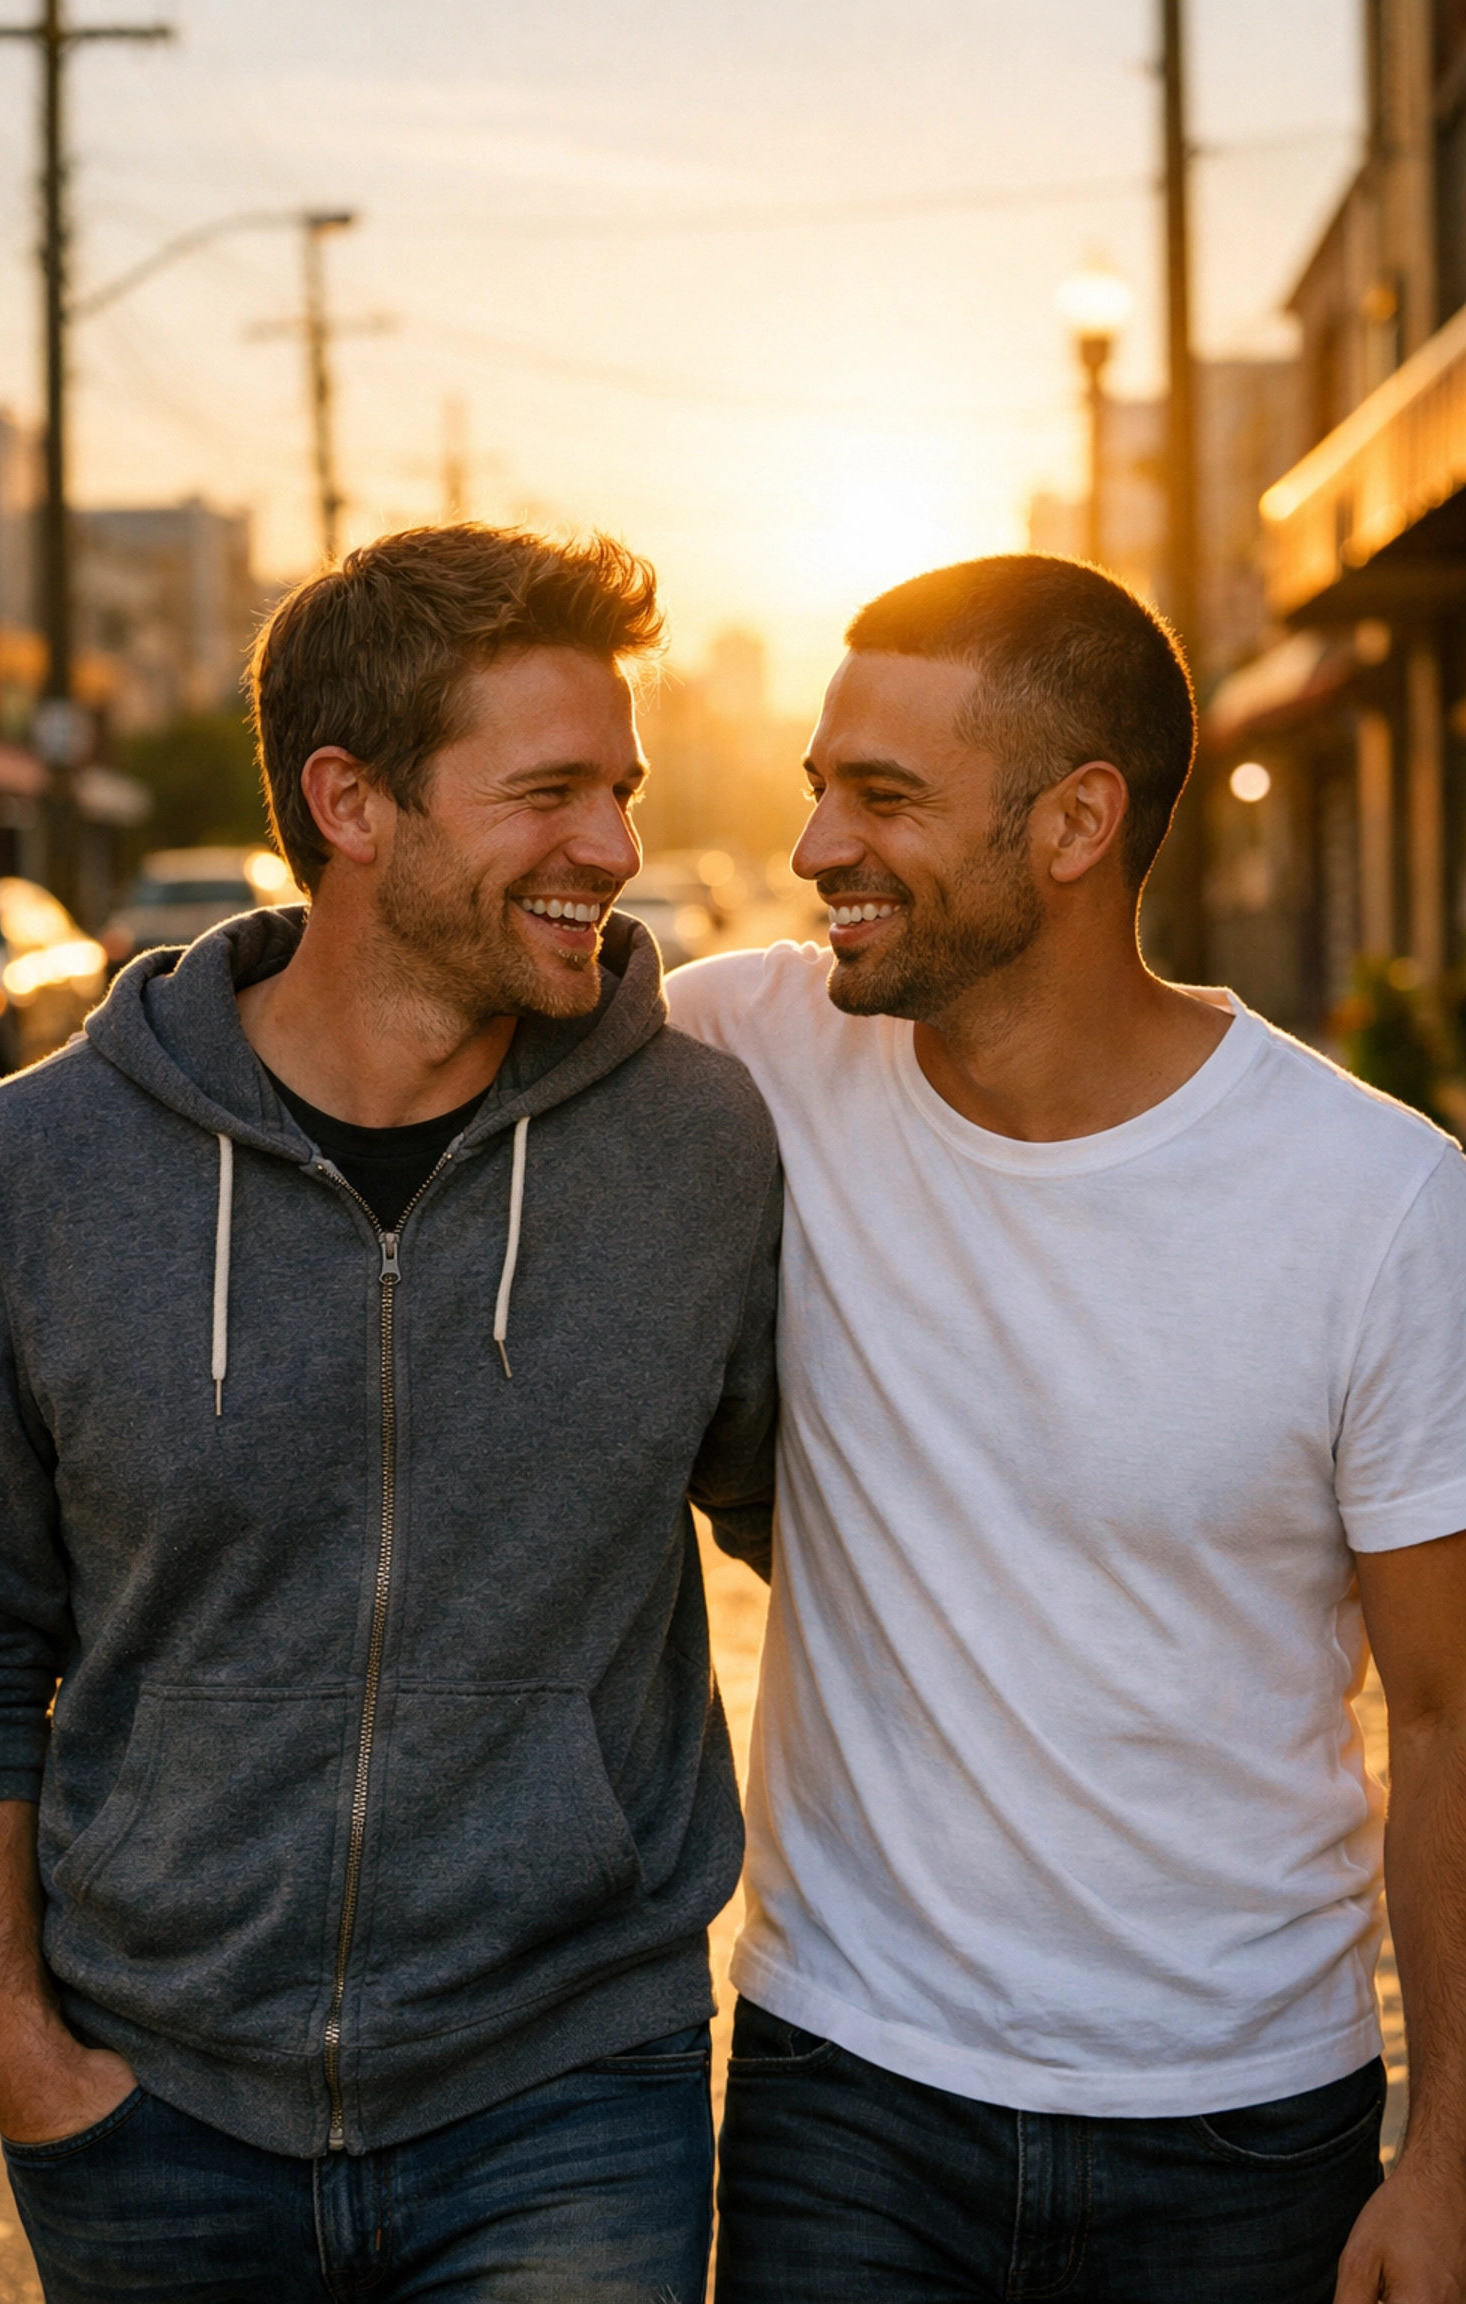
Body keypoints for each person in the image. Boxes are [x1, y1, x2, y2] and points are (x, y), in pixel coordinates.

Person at [0, 524, 781, 2304]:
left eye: (619, 791)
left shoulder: (696, 1149)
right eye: (547, 792)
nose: (612, 851)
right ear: (352, 802)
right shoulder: (35, 1168)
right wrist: (12, 2042)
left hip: (566, 2087)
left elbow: (841, 1521)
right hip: (153, 2106)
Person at [667, 553, 1466, 2304]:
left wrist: (1452, 2160)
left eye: (885, 799)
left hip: (1246, 2120)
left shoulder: (1380, 1201)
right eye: (819, 790)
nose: (816, 853)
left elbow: (1445, 1709)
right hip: (846, 2086)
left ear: (1077, 822)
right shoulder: (743, 1049)